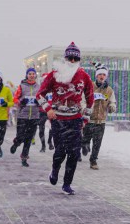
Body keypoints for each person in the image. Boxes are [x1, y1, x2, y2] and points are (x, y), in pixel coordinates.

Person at [36, 42, 94, 195]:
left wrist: (85, 119)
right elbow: (39, 94)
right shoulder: (55, 74)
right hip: (58, 119)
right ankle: (55, 170)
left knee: (74, 153)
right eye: (70, 58)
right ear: (65, 58)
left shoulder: (84, 76)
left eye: (75, 59)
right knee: (60, 151)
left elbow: (90, 99)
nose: (72, 61)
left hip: (75, 120)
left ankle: (67, 184)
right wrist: (48, 109)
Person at [81, 62, 116, 170]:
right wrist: (84, 109)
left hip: (101, 121)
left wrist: (112, 106)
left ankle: (93, 161)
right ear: (96, 76)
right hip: (89, 119)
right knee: (86, 140)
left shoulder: (109, 90)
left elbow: (112, 102)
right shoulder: (90, 86)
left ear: (106, 77)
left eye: (104, 75)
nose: (102, 77)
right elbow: (82, 99)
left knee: (97, 143)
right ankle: (84, 146)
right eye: (100, 75)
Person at [10, 67, 41, 166]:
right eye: (30, 74)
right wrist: (20, 102)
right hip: (22, 115)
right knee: (20, 136)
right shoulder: (22, 86)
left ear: (35, 75)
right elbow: (15, 98)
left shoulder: (39, 87)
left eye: (33, 74)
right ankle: (16, 143)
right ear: (27, 75)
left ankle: (24, 158)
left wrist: (38, 102)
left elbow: (43, 99)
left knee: (29, 138)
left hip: (34, 116)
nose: (31, 75)